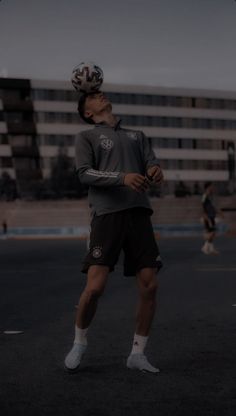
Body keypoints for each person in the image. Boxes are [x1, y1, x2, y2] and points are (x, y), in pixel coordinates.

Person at [64, 91, 164, 373]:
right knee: (95, 288)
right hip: (107, 216)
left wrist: (155, 170)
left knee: (150, 284)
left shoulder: (138, 135)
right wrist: (123, 177)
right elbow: (84, 173)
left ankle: (137, 354)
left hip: (139, 214)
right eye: (94, 96)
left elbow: (152, 164)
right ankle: (79, 342)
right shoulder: (86, 136)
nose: (101, 95)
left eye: (100, 93)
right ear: (88, 112)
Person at [201, 182, 219, 255]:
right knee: (212, 233)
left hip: (211, 216)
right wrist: (205, 216)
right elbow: (202, 206)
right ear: (208, 187)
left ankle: (210, 248)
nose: (212, 188)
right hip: (208, 217)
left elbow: (211, 207)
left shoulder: (209, 196)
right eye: (211, 186)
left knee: (212, 233)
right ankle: (205, 247)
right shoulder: (204, 196)